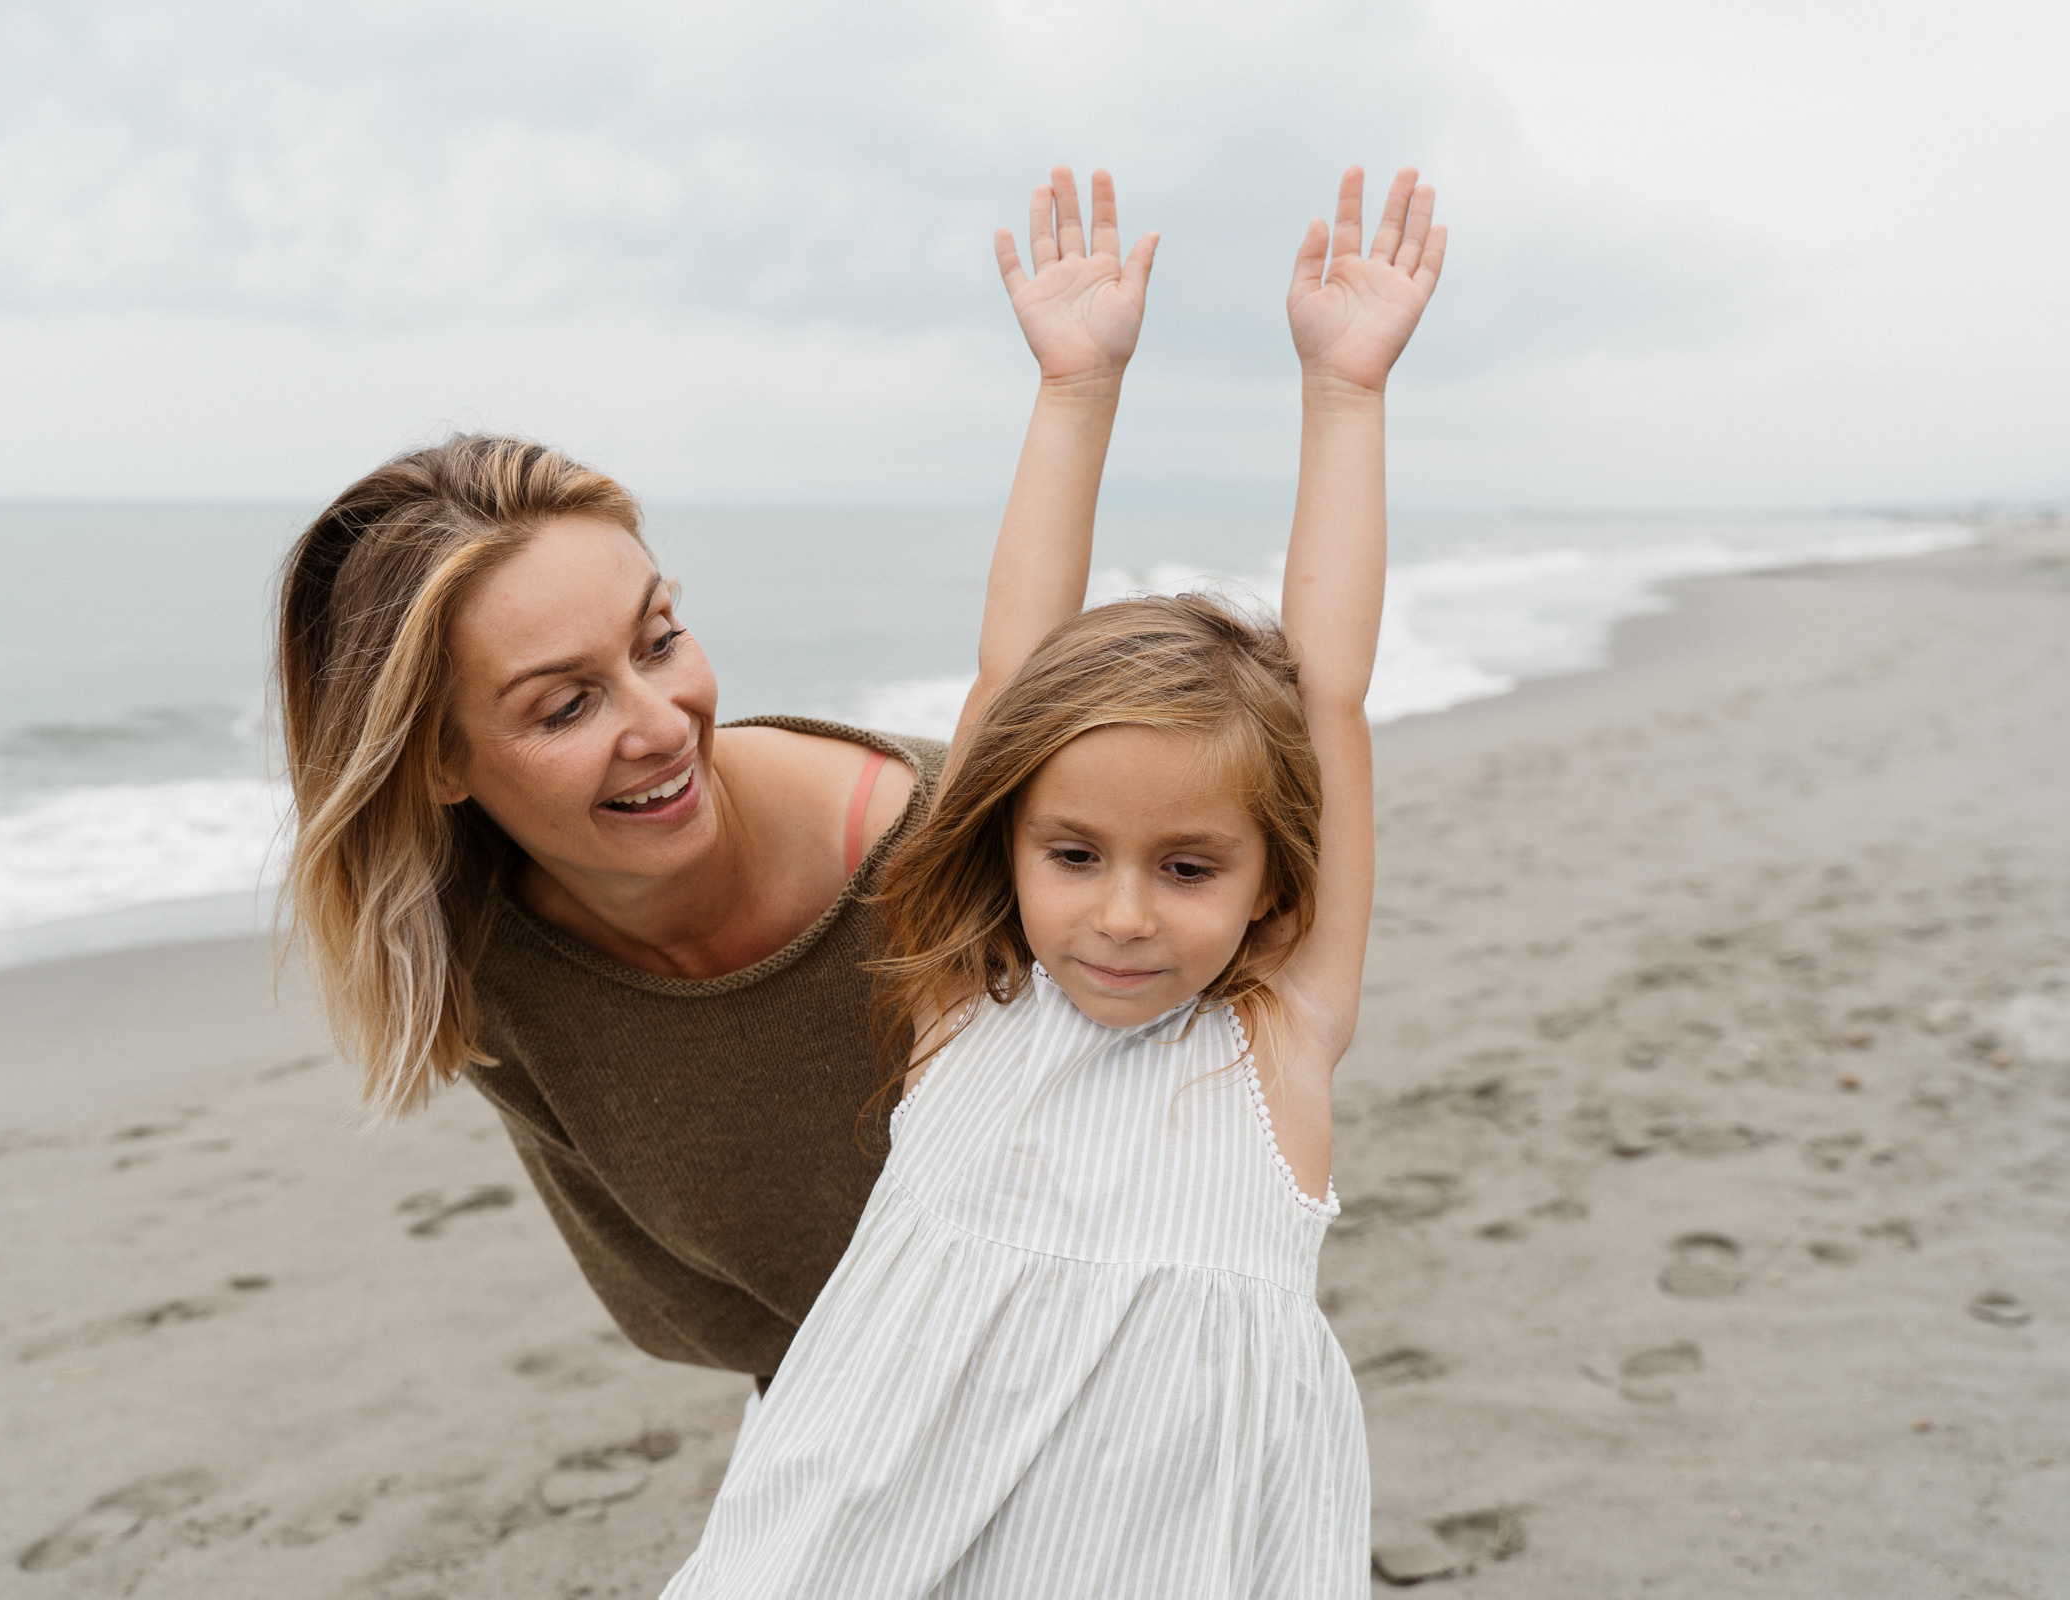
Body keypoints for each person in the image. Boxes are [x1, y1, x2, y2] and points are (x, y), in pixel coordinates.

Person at [661, 169, 1445, 1597]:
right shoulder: (973, 1004)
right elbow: (1014, 673)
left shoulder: (1280, 1039)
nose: (1125, 912)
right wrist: (1076, 388)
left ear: (1276, 880)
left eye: (1191, 866)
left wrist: (1347, 395)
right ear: (1008, 844)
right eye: (1073, 855)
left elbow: (1329, 690)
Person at [276, 169, 1157, 1386]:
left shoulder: (945, 841)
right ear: (435, 761)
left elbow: (1026, 674)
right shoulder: (483, 971)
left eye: (658, 638)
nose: (663, 722)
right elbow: (725, 1307)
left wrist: (1078, 390)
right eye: (566, 703)